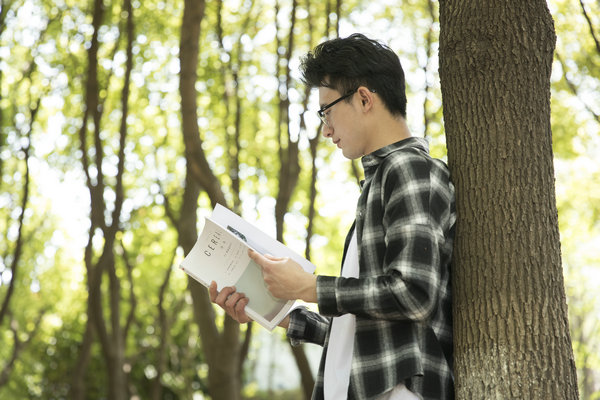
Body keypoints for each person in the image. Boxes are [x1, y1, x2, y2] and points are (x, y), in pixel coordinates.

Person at [210, 33, 456, 400]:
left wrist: (309, 287)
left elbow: (414, 294)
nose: (325, 129)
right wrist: (274, 313)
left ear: (363, 98)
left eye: (326, 110)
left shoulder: (409, 169)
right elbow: (367, 336)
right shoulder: (380, 180)